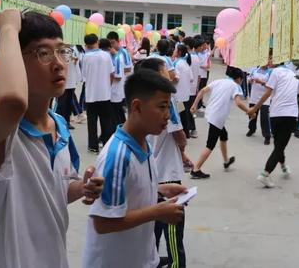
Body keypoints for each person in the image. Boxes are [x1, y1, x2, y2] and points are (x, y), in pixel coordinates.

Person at [0, 9, 104, 268]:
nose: (59, 63)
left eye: (62, 50)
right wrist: (7, 28)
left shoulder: (60, 125)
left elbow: (58, 190)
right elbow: (12, 101)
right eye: (43, 53)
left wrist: (81, 188)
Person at [81, 69, 187, 268]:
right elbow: (103, 222)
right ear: (136, 107)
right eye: (162, 107)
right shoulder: (119, 156)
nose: (167, 115)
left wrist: (159, 190)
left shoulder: (143, 143)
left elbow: (130, 189)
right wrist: (157, 212)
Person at [135, 58, 189, 268]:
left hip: (152, 174)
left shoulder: (140, 100)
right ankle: (177, 264)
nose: (171, 75)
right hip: (169, 173)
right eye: (166, 72)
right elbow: (178, 133)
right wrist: (182, 148)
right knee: (174, 230)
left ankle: (153, 262)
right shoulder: (167, 101)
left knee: (153, 228)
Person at [250, 62, 299, 188]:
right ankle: (265, 174)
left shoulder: (275, 72)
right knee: (280, 146)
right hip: (290, 116)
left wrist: (255, 108)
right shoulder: (293, 75)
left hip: (275, 114)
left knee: (279, 144)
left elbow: (267, 93)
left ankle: (283, 166)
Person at [189, 67, 253, 179]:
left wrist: (194, 105)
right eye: (242, 79)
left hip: (210, 113)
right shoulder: (236, 86)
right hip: (217, 118)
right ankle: (196, 169)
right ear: (238, 78)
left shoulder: (219, 81)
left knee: (224, 135)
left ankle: (226, 161)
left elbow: (202, 91)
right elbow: (238, 103)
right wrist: (249, 112)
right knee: (210, 145)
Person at [81, 33, 114, 153]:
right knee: (106, 120)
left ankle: (93, 145)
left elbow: (84, 75)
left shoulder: (85, 57)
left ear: (86, 44)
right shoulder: (106, 55)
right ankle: (106, 144)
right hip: (105, 93)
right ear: (97, 41)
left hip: (91, 93)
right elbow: (112, 73)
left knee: (92, 121)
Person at [247, 61, 273, 145]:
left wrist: (261, 82)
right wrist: (250, 80)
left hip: (265, 97)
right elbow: (248, 78)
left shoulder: (271, 72)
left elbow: (271, 85)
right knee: (252, 114)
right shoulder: (254, 69)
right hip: (254, 96)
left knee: (264, 117)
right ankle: (252, 129)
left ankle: (267, 136)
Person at [56, 44, 82, 130]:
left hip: (71, 82)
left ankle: (67, 122)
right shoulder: (59, 51)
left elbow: (77, 63)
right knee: (61, 105)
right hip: (63, 82)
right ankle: (58, 123)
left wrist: (78, 78)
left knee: (68, 104)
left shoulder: (74, 50)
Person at [173, 43, 195, 139]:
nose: (174, 51)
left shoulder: (177, 63)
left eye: (175, 50)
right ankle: (186, 133)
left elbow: (176, 78)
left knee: (180, 115)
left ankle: (183, 133)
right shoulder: (186, 63)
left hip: (178, 95)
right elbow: (191, 78)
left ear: (179, 52)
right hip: (185, 94)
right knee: (184, 114)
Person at [105, 38, 126, 127]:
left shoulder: (117, 57)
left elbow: (118, 77)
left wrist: (108, 80)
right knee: (118, 113)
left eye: (113, 43)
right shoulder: (113, 56)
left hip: (115, 90)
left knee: (116, 114)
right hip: (115, 90)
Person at [184, 37, 201, 139]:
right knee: (189, 109)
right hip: (193, 88)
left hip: (186, 88)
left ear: (187, 46)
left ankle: (190, 129)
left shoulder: (187, 57)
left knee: (185, 110)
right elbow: (198, 75)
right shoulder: (196, 57)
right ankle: (191, 129)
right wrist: (197, 87)